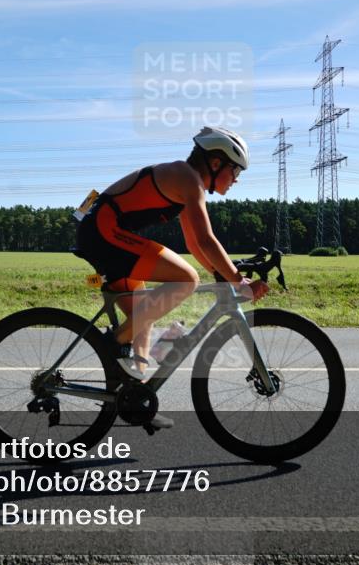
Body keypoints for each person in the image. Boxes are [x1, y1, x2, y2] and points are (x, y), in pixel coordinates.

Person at [74, 126, 270, 429]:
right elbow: (206, 241)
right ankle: (113, 342)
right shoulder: (187, 178)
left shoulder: (185, 182)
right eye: (235, 170)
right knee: (186, 279)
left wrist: (224, 276)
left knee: (143, 316)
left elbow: (194, 243)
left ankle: (137, 400)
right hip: (103, 230)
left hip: (100, 230)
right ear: (216, 163)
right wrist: (236, 280)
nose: (237, 179)